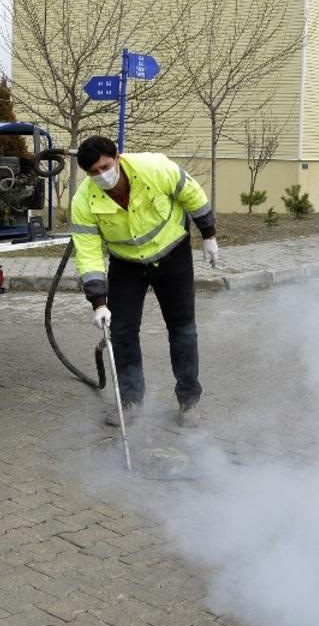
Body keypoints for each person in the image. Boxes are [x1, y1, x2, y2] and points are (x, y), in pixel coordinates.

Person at [70, 136, 219, 427]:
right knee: (122, 332)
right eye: (94, 172)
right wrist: (98, 303)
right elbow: (88, 253)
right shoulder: (83, 201)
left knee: (183, 329)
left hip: (172, 254)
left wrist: (209, 235)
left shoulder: (154, 168)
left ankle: (189, 402)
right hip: (126, 265)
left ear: (117, 157)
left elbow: (192, 194)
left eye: (106, 167)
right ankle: (131, 402)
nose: (102, 175)